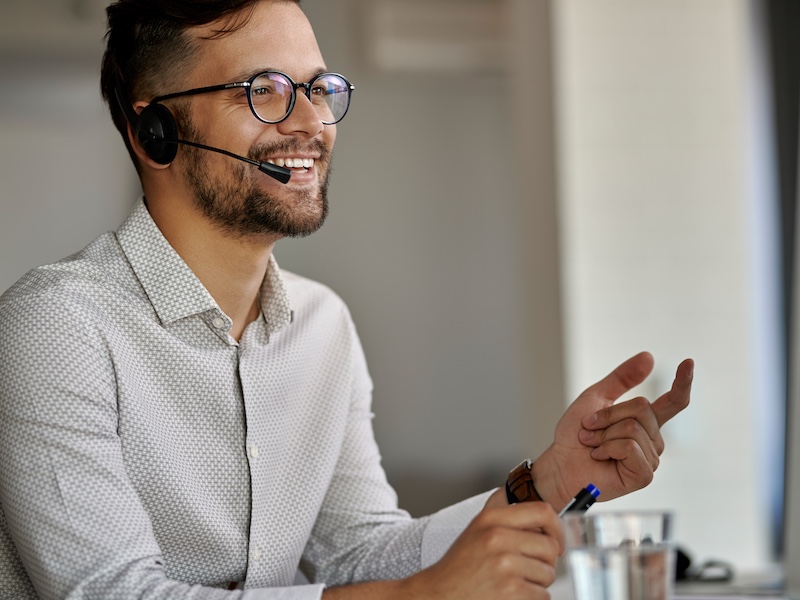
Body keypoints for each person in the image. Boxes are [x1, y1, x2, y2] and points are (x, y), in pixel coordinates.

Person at [0, 0, 693, 598]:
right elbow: (114, 593)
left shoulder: (322, 325)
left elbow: (360, 555)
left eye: (319, 88)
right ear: (155, 132)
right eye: (265, 90)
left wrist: (546, 483)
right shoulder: (55, 327)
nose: (312, 122)